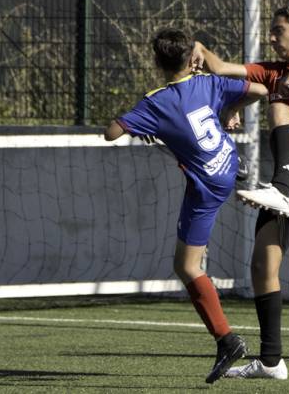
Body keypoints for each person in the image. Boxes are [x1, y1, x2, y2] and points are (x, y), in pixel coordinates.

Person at [192, 0, 289, 380]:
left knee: (279, 108)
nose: (272, 38)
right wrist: (199, 49)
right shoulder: (273, 70)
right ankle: (272, 361)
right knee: (263, 261)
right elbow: (222, 67)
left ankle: (279, 187)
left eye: (278, 31)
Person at [104, 27, 268, 384]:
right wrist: (229, 109)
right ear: (191, 56)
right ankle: (228, 152)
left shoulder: (156, 102)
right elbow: (260, 89)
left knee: (187, 265)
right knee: (209, 153)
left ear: (156, 61)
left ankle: (227, 341)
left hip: (207, 186)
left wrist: (137, 123)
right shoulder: (208, 83)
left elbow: (111, 132)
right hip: (225, 164)